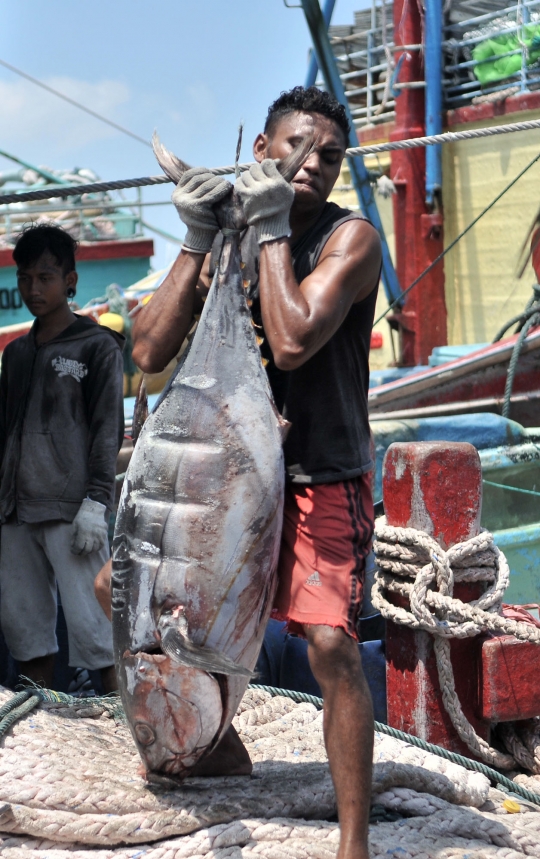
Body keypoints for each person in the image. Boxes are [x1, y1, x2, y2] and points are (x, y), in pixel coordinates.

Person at [129, 86, 381, 859]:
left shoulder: (353, 240)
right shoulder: (233, 233)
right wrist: (201, 238)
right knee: (125, 596)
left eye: (330, 158)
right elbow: (145, 351)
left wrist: (267, 226)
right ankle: (215, 742)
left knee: (330, 643)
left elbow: (296, 337)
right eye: (299, 149)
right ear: (263, 149)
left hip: (316, 471)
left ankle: (354, 841)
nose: (314, 165)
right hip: (227, 480)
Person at [0, 224, 125, 695]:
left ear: (70, 281)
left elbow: (107, 430)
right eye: (26, 277)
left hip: (74, 515)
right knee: (28, 639)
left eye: (46, 277)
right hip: (13, 514)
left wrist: (97, 503)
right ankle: (42, 735)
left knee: (100, 639)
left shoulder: (96, 347)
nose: (34, 288)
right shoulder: (15, 355)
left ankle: (124, 734)